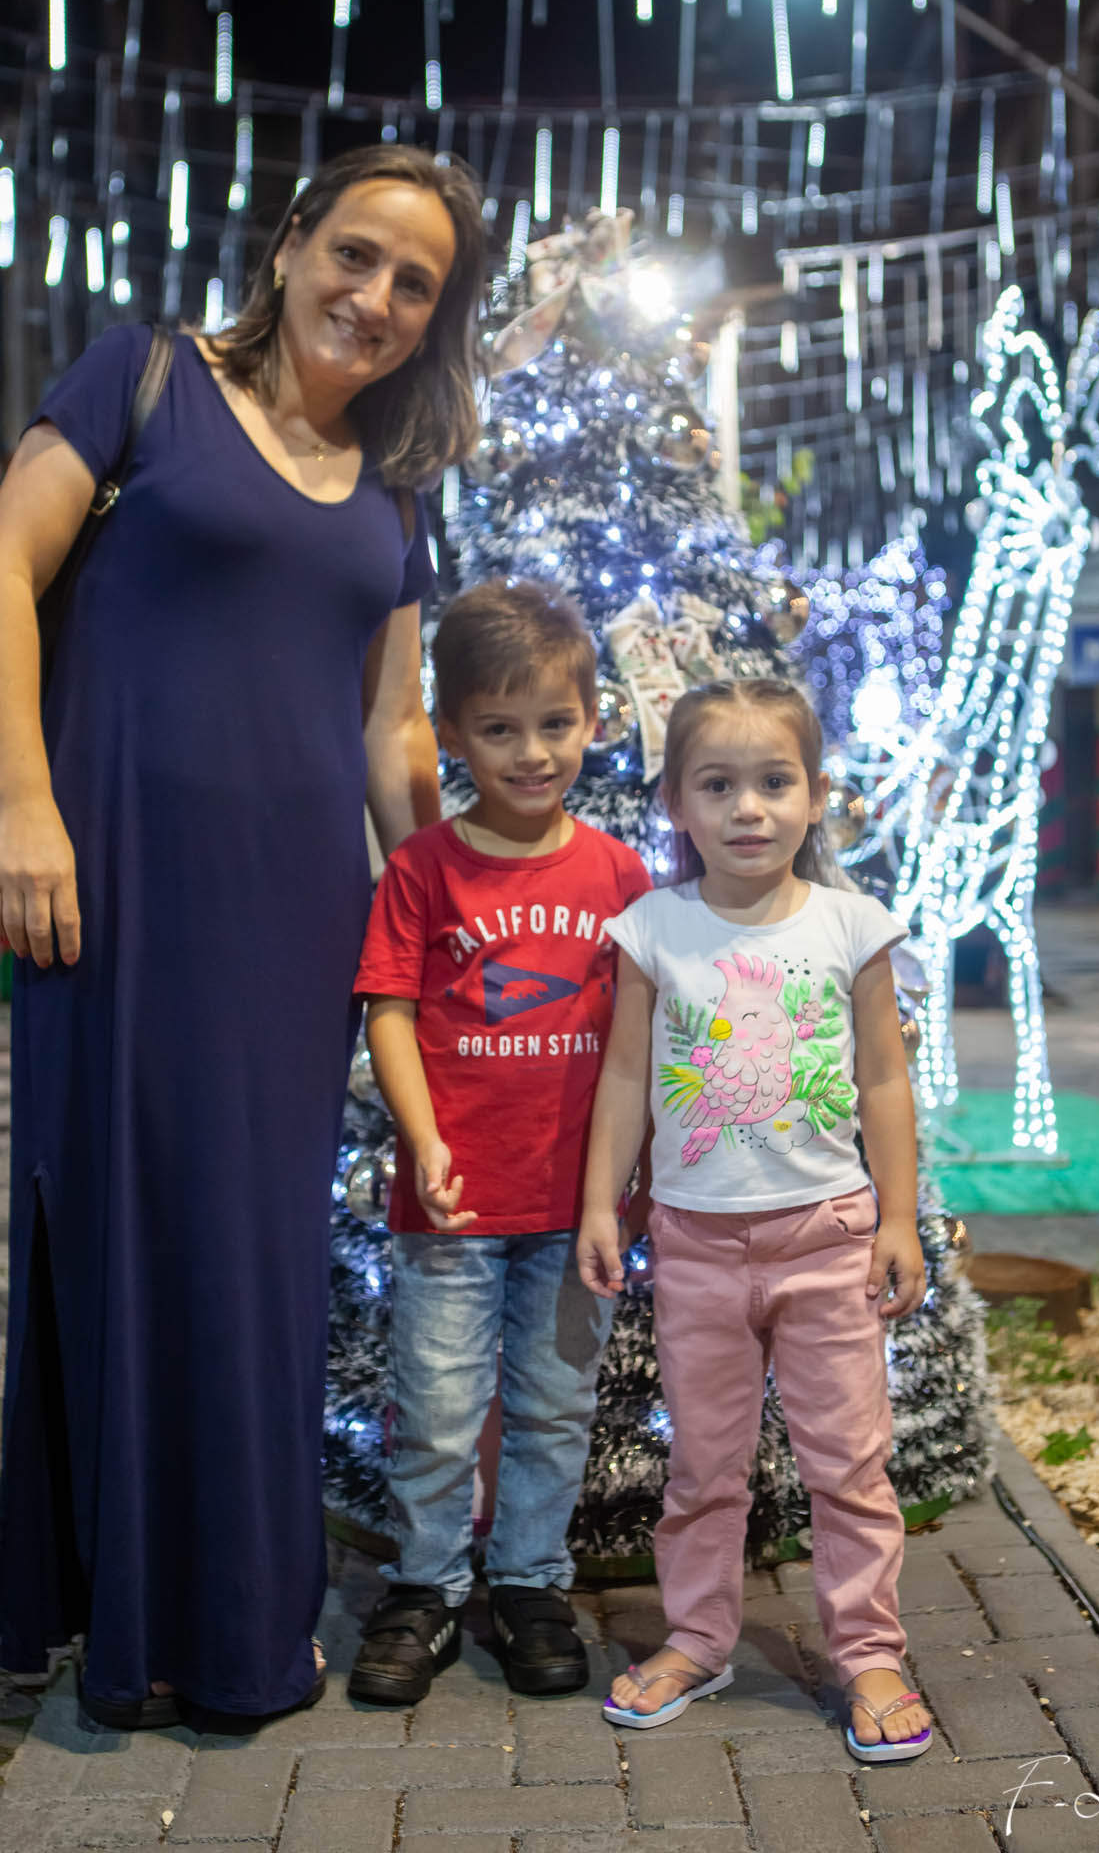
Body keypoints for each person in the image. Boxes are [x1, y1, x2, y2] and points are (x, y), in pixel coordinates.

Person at [0, 144, 486, 1727]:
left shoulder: (392, 484)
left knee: (254, 1260)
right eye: (356, 253)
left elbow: (392, 727)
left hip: (293, 924)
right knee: (121, 1230)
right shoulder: (142, 377)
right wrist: (26, 806)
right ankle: (128, 1620)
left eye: (414, 284)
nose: (374, 297)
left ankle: (240, 1618)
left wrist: (443, 905)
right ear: (292, 241)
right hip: (109, 890)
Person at [577, 677, 934, 1766]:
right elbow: (625, 1074)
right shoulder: (654, 928)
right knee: (703, 1468)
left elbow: (884, 1078)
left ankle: (868, 1651)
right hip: (695, 1246)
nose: (748, 808)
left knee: (849, 1463)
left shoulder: (851, 925)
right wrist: (600, 1202)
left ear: (816, 796)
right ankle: (698, 1638)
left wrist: (900, 1218)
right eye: (718, 785)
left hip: (829, 1238)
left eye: (775, 782)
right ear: (675, 803)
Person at [347, 579, 652, 1705]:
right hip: (453, 1208)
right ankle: (426, 1587)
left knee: (554, 1408)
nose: (533, 753)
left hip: (575, 1210)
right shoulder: (423, 869)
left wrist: (628, 1180)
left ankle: (529, 1583)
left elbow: (643, 1037)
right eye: (499, 729)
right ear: (452, 732)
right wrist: (422, 1138)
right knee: (435, 1414)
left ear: (594, 721)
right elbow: (388, 1010)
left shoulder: (619, 874)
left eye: (556, 724)